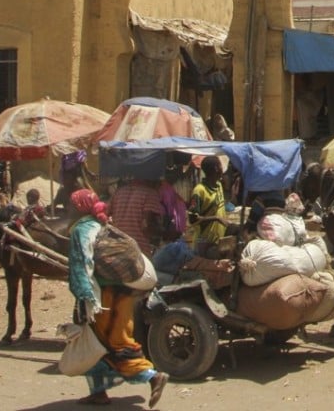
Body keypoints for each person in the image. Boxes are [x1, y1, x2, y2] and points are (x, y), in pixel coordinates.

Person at [67, 189, 168, 407]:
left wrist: (84, 297)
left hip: (102, 297)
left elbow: (81, 265)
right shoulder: (103, 225)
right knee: (110, 341)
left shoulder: (81, 230)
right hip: (123, 292)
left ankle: (151, 376)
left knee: (105, 344)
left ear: (79, 207)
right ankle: (99, 392)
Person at [108, 179, 164, 256]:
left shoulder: (118, 192)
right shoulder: (150, 193)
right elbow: (146, 225)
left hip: (117, 248)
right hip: (138, 250)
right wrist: (158, 230)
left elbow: (107, 214)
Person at [187, 156, 227, 254]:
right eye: (220, 165)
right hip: (205, 242)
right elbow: (193, 219)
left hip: (220, 240)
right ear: (216, 168)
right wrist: (216, 218)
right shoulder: (199, 190)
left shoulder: (219, 185)